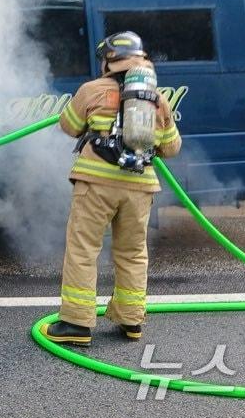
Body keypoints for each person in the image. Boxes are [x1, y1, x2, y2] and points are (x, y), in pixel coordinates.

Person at [40, 31, 182, 346]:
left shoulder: (92, 90)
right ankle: (131, 321)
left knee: (83, 249)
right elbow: (172, 148)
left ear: (109, 59)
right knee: (132, 253)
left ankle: (76, 324)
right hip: (139, 189)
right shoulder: (157, 100)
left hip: (96, 184)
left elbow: (69, 126)